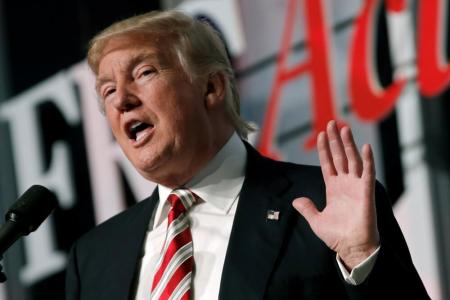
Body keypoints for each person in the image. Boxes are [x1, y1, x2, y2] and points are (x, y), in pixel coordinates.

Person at [65, 10, 429, 300]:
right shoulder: (95, 258)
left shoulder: (321, 204)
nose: (121, 101)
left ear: (211, 87)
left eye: (144, 72)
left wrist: (361, 258)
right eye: (108, 91)